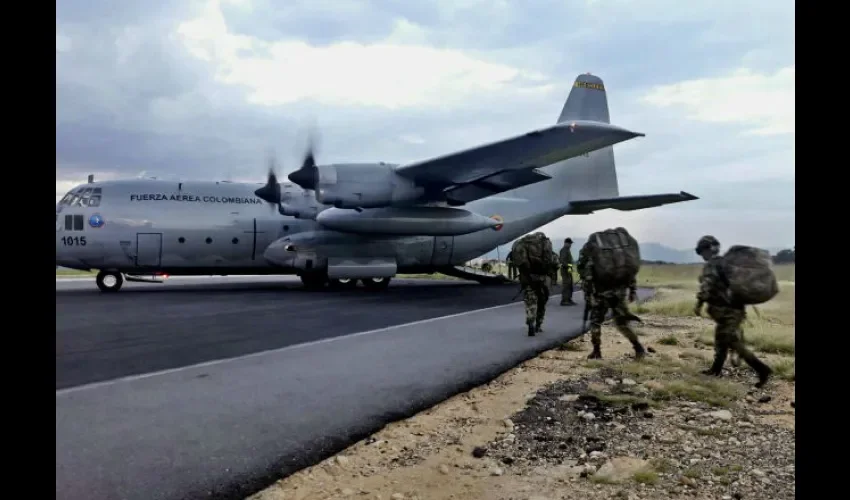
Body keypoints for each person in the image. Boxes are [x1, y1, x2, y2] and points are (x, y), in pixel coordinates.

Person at [693, 235, 772, 388]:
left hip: (727, 311)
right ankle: (716, 370)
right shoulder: (725, 263)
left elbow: (707, 287)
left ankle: (762, 369)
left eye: (702, 251)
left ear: (707, 249)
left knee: (732, 342)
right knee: (721, 339)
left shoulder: (713, 264)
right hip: (733, 310)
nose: (702, 255)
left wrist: (699, 303)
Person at [577, 233, 646, 360]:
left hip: (601, 294)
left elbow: (587, 277)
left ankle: (597, 351)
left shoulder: (592, 256)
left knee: (595, 322)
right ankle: (638, 348)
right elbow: (629, 272)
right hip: (618, 292)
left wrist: (588, 295)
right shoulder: (619, 257)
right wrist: (632, 290)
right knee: (621, 322)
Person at [512, 232, 560, 336]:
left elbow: (519, 263)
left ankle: (530, 321)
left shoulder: (524, 244)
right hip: (543, 280)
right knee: (542, 302)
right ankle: (539, 325)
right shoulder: (545, 246)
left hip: (529, 279)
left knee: (530, 301)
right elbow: (555, 263)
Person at [559, 237, 576, 306]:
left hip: (568, 270)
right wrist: (569, 266)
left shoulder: (567, 250)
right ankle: (564, 300)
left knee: (569, 285)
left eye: (570, 243)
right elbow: (563, 261)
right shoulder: (563, 250)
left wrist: (570, 268)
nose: (570, 245)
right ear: (566, 243)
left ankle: (568, 299)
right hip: (565, 270)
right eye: (569, 243)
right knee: (566, 285)